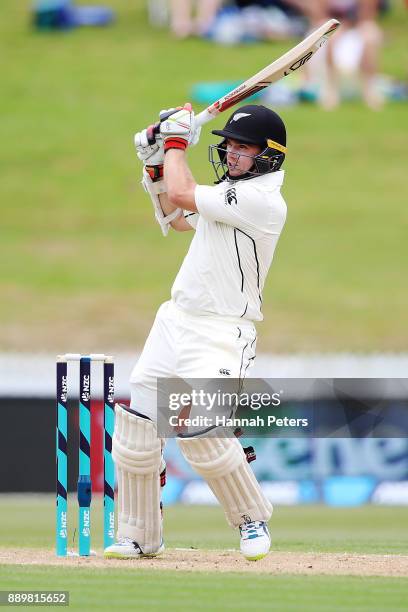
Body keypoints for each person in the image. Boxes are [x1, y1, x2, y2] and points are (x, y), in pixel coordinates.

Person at [104, 103, 288, 562]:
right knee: (137, 431)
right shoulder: (229, 190)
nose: (230, 152)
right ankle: (139, 535)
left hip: (224, 330)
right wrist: (154, 164)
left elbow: (184, 194)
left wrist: (174, 142)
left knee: (198, 428)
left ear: (269, 155)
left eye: (243, 147)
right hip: (175, 319)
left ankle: (251, 519)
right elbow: (178, 215)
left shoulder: (263, 200)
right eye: (229, 144)